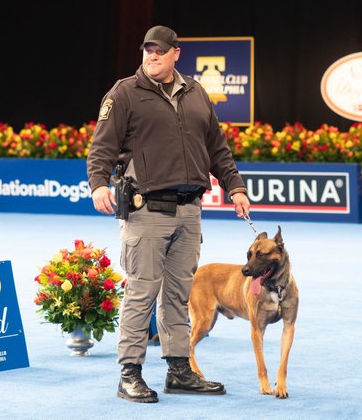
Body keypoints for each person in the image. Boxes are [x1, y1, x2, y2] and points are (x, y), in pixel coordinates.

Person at [87, 25, 251, 403]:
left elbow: (218, 150)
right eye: (147, 50)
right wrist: (98, 184)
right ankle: (129, 373)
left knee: (178, 295)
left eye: (160, 51)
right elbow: (102, 147)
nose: (152, 56)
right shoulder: (125, 92)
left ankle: (179, 370)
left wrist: (235, 187)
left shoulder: (195, 93)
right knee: (141, 294)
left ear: (177, 53)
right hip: (146, 211)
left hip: (189, 211)